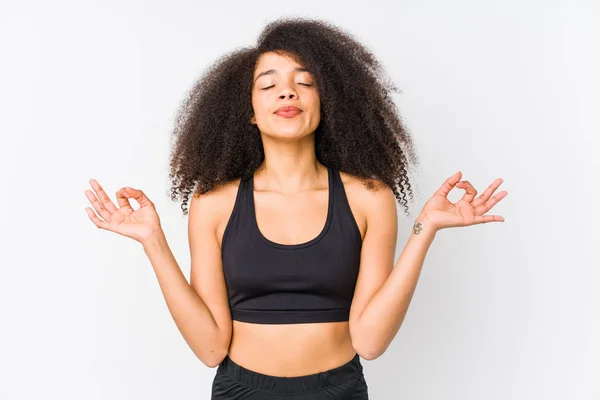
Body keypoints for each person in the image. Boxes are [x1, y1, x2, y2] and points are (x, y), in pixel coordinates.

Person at [84, 17, 507, 400]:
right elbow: (210, 348)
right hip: (241, 390)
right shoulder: (213, 203)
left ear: (327, 104)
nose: (287, 91)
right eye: (268, 85)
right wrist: (154, 242)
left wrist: (424, 230)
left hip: (338, 389)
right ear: (248, 112)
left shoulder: (368, 198)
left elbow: (371, 341)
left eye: (305, 83)